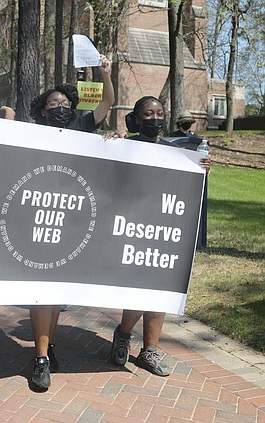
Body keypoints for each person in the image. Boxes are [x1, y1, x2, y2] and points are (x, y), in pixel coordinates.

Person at [27, 54, 115, 392]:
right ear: (43, 109)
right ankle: (39, 358)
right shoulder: (30, 134)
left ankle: (46, 346)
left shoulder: (82, 127)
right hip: (39, 216)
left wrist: (105, 74)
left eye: (65, 102)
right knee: (40, 290)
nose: (60, 106)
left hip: (71, 218)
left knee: (55, 289)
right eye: (53, 102)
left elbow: (108, 102)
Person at [111, 96, 210, 377]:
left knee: (161, 291)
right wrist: (112, 142)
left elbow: (184, 187)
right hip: (134, 228)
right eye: (148, 113)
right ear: (137, 118)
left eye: (159, 113)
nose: (154, 118)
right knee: (140, 290)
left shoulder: (174, 152)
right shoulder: (126, 145)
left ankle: (149, 351)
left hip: (165, 230)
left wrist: (199, 171)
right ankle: (123, 333)